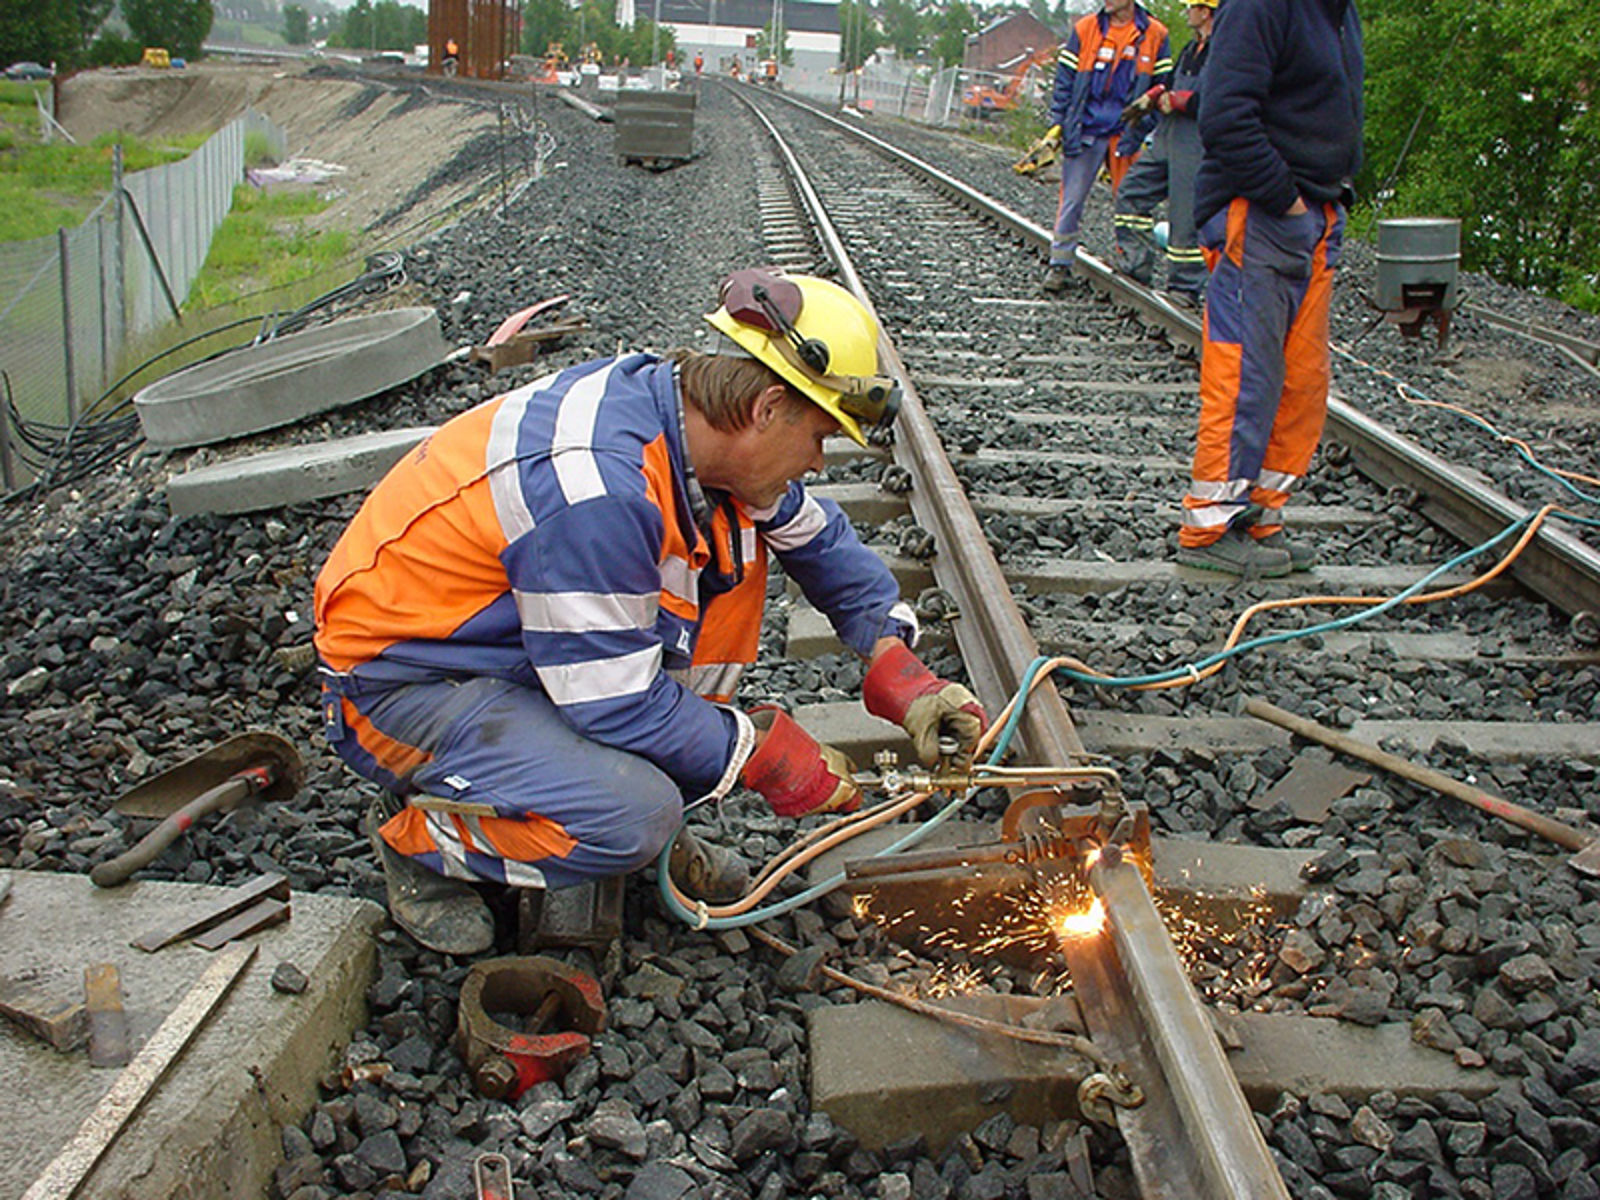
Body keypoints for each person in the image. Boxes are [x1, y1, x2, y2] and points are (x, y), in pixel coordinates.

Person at [313, 269, 988, 954]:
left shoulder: (693, 430)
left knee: (727, 561)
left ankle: (589, 795)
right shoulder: (597, 486)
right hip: (406, 684)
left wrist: (892, 657)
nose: (817, 462)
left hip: (517, 647)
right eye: (819, 436)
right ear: (767, 407)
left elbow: (816, 539)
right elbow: (615, 703)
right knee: (631, 817)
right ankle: (421, 838)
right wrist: (759, 753)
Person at [1174, 0, 1363, 575]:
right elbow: (1225, 114)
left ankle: (1258, 512)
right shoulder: (1264, 5)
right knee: (1245, 375)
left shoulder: (1338, 11)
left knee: (1300, 380)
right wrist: (1283, 199)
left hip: (1313, 212)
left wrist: (1326, 201)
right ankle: (1209, 525)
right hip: (1262, 212)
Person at [1041, 0, 1171, 295]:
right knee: (1071, 200)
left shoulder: (1156, 34)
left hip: (1126, 134)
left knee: (1131, 205)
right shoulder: (1085, 29)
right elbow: (1065, 81)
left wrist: (1143, 127)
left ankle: (1134, 268)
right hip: (1085, 131)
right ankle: (1059, 264)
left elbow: (1162, 87)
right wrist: (1059, 124)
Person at [1111, 0, 1217, 308]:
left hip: (1195, 141)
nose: (1187, 11)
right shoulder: (1192, 48)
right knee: (1132, 192)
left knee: (1185, 217)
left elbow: (1220, 99)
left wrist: (1182, 101)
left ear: (1205, 11)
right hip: (1168, 135)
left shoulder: (1224, 51)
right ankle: (1135, 265)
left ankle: (1185, 287)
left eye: (1191, 7)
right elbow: (1170, 81)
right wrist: (1153, 96)